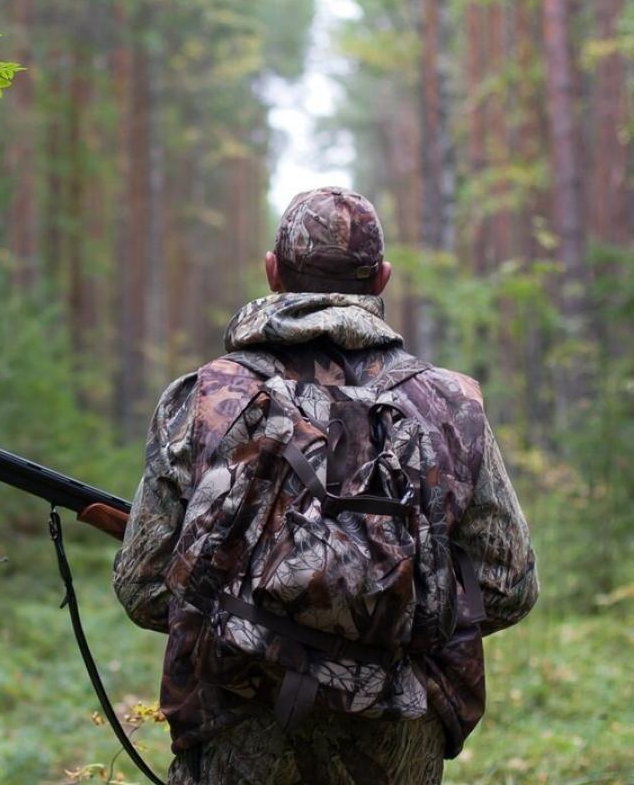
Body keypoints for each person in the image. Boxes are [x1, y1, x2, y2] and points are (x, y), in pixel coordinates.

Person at [112, 186, 539, 784]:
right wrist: (388, 625)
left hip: (238, 725)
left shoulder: (206, 398)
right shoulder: (447, 404)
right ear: (382, 279)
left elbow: (144, 588)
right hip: (398, 733)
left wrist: (258, 625)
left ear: (272, 272)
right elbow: (509, 585)